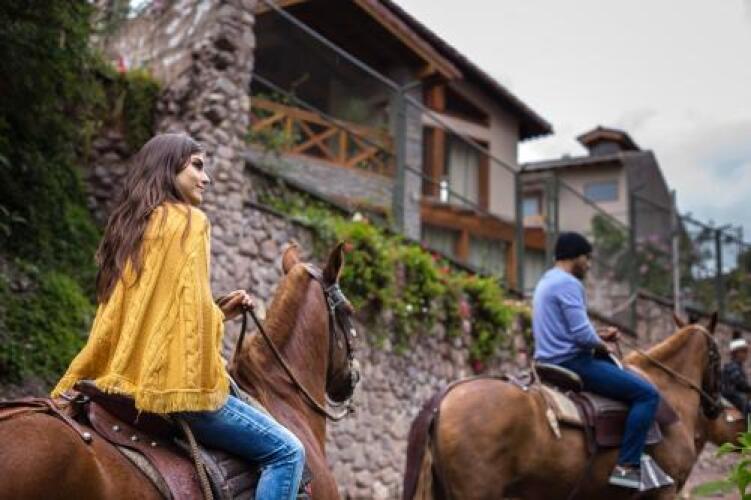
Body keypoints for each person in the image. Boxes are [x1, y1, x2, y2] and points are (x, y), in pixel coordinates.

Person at [52, 133, 305, 500]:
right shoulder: (190, 223)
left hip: (123, 383)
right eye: (197, 166)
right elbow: (190, 324)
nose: (207, 178)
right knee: (287, 452)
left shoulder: (131, 229)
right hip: (178, 390)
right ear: (169, 168)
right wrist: (213, 318)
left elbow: (143, 317)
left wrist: (217, 312)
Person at [532, 232, 664, 490]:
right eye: (587, 258)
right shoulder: (569, 283)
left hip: (546, 360)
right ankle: (627, 468)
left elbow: (569, 330)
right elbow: (582, 335)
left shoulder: (546, 281)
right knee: (647, 394)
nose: (589, 265)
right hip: (572, 362)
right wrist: (603, 345)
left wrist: (599, 334)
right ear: (575, 256)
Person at [721, 336, 751, 417]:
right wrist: (749, 388)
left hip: (731, 394)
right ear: (736, 353)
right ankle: (746, 422)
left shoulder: (736, 366)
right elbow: (740, 382)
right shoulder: (733, 366)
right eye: (743, 351)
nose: (746, 354)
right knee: (748, 405)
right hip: (731, 395)